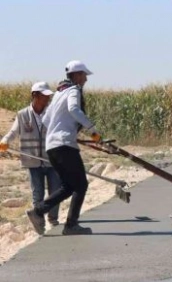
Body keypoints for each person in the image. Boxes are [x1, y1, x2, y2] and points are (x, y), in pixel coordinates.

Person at [25, 61, 102, 236]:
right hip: (65, 146)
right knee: (81, 185)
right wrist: (92, 131)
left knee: (68, 186)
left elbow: (45, 120)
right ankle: (71, 225)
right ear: (76, 75)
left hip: (53, 147)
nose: (85, 80)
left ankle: (38, 212)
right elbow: (74, 109)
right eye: (84, 75)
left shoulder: (59, 94)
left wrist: (63, 130)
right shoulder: (73, 91)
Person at [0, 82, 62, 228]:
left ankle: (53, 220)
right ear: (35, 95)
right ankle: (39, 221)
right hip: (32, 161)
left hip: (52, 159)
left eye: (48, 96)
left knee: (56, 192)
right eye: (44, 95)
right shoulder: (22, 115)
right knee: (38, 193)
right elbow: (13, 132)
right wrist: (4, 141)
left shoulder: (52, 114)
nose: (47, 98)